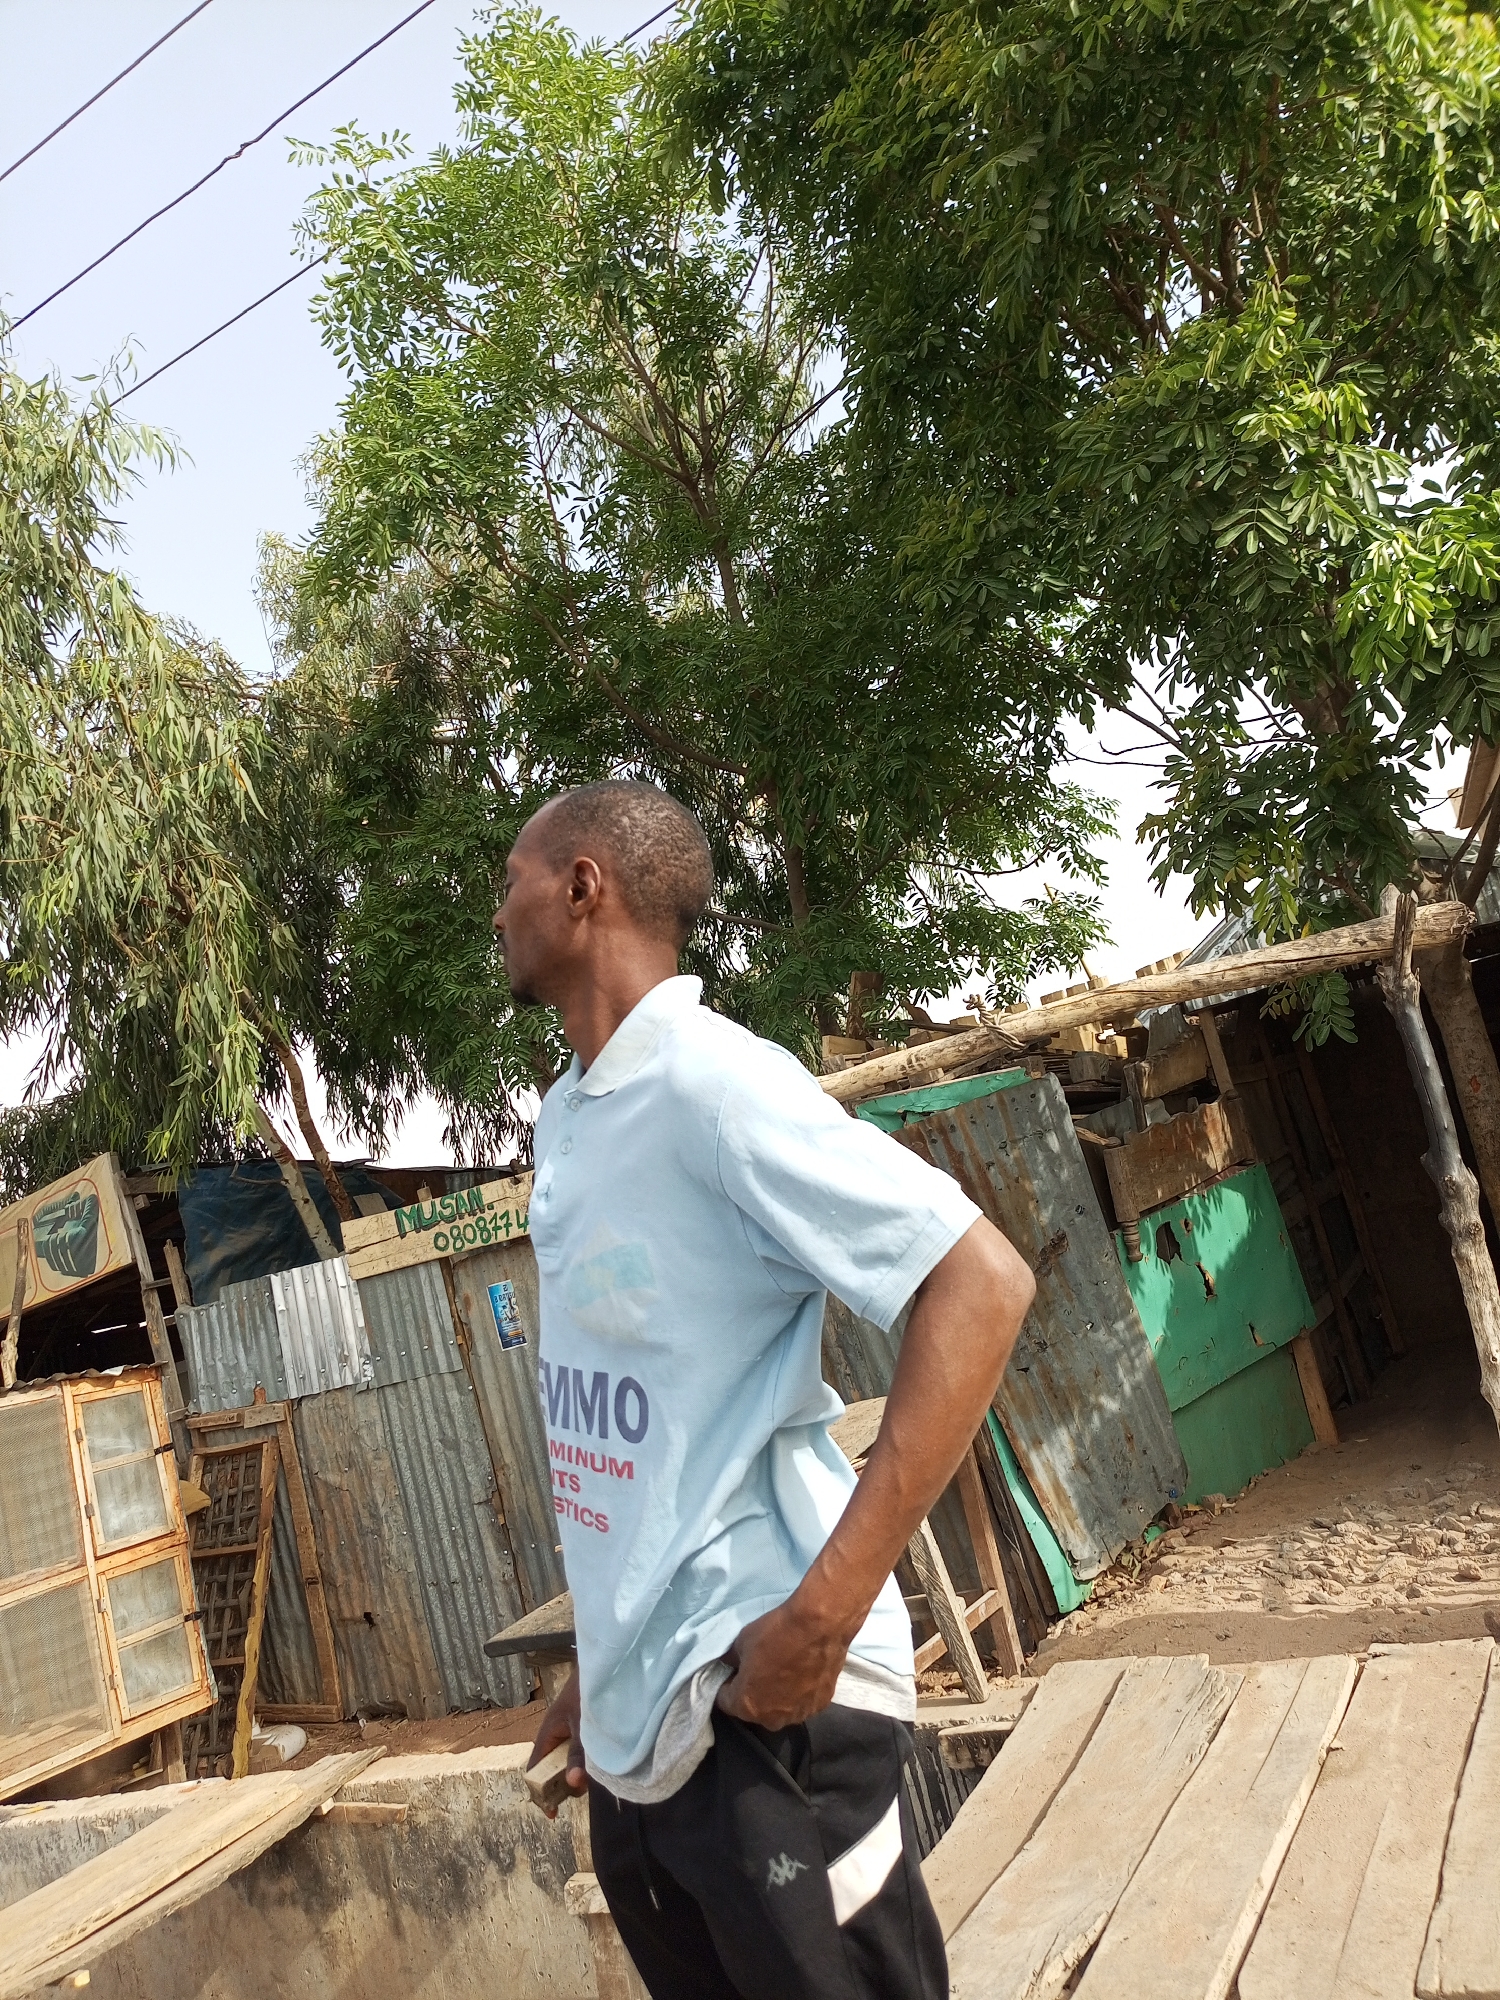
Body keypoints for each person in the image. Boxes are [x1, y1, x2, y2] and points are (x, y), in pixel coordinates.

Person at [496, 780, 1035, 2000]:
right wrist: (605, 1668)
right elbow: (653, 1424)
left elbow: (981, 1284)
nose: (498, 911)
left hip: (768, 1715)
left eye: (510, 881)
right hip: (648, 1727)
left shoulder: (715, 1086)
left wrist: (824, 1616)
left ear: (581, 886)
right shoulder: (571, 1114)